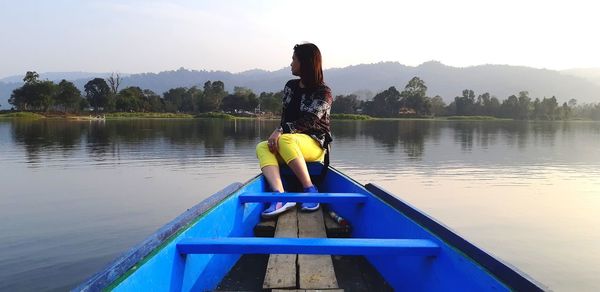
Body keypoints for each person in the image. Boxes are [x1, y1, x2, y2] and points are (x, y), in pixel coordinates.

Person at [256, 43, 333, 218]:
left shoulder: (324, 92)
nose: (291, 63)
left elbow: (311, 120)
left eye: (293, 59)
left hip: (315, 144)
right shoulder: (290, 86)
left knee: (285, 139)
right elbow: (285, 118)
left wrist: (281, 131)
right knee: (262, 146)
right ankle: (280, 196)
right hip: (289, 143)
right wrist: (279, 132)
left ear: (304, 63)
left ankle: (310, 189)